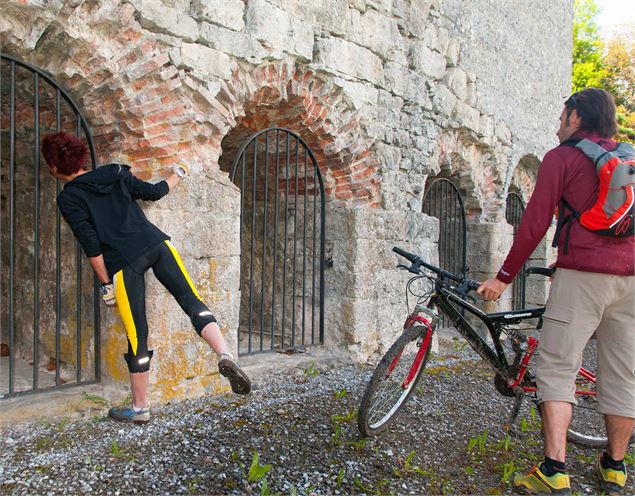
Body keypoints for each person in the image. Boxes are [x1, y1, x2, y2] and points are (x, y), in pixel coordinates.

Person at [478, 88, 634, 494]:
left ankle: (553, 470)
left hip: (582, 275)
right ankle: (615, 467)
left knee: (557, 368)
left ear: (576, 117)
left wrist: (504, 277)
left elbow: (533, 225)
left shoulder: (561, 157)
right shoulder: (631, 158)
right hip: (632, 281)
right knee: (622, 375)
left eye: (561, 115)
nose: (557, 123)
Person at [41, 132, 251, 424]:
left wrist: (106, 285)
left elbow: (90, 242)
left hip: (124, 263)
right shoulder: (114, 172)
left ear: (53, 166)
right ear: (81, 157)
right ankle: (225, 354)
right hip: (157, 245)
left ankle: (140, 409)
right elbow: (153, 192)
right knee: (192, 302)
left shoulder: (69, 197)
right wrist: (176, 174)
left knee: (137, 335)